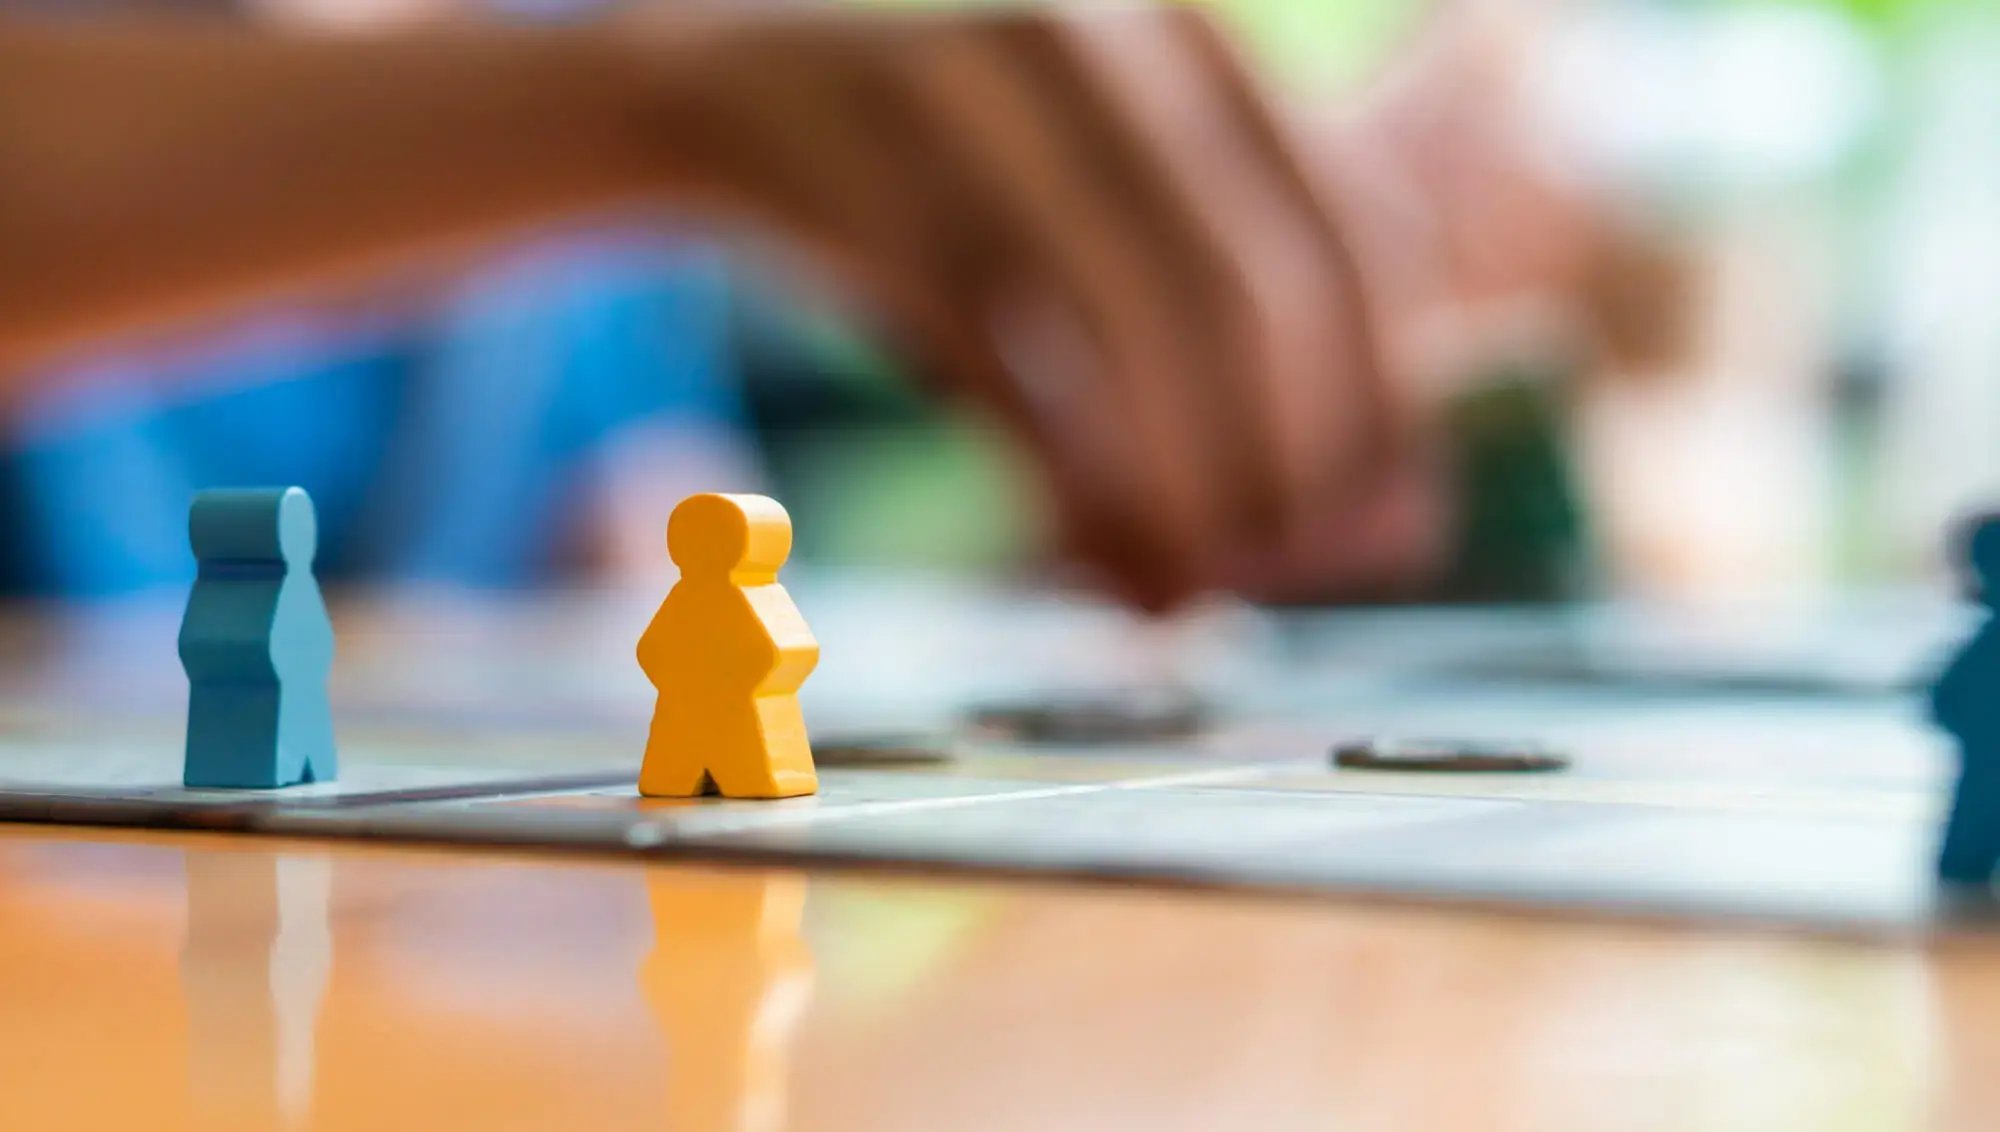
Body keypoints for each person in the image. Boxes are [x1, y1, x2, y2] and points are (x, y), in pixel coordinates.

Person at [0, 2, 1598, 609]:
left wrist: (1064, 551)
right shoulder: (631, 91)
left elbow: (649, 523)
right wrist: (658, 103)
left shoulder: (588, 81)